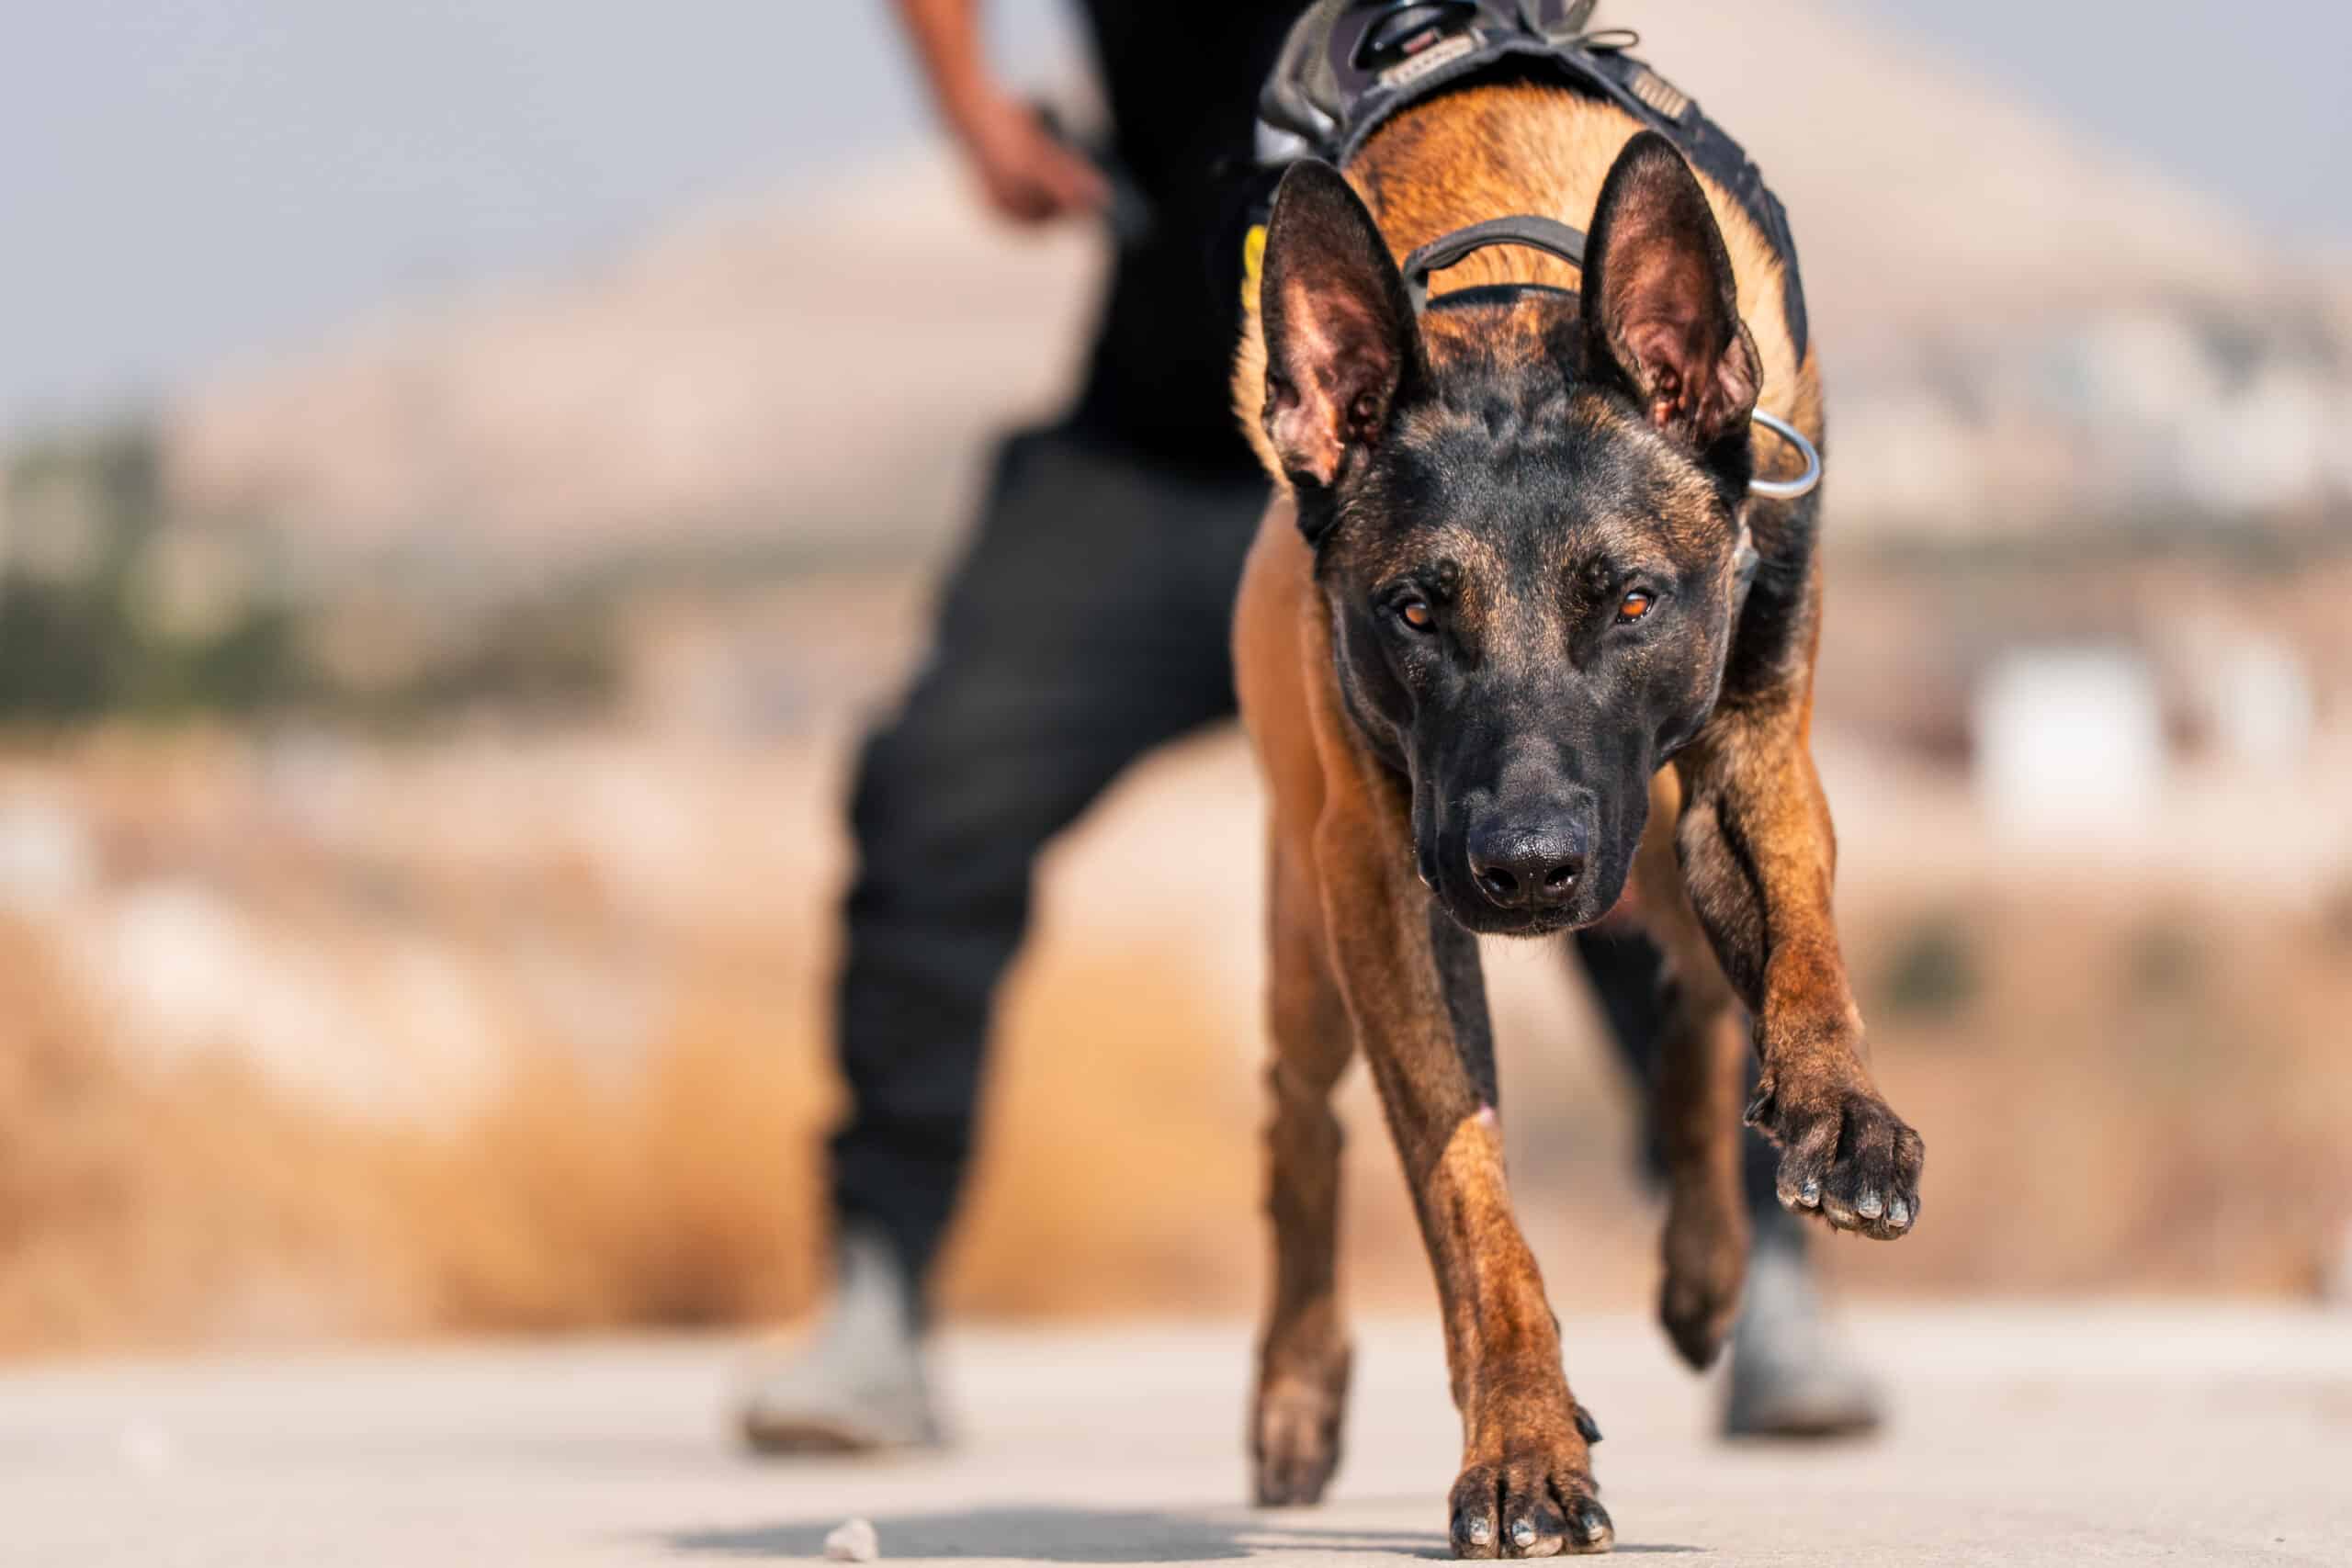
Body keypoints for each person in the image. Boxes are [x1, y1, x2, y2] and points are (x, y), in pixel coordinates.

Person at [739, 0, 1879, 1454]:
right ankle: (877, 1296)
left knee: (1591, 819)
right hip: (1214, 427)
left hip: (1495, 442)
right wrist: (970, 104)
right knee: (932, 791)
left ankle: (1764, 1279)